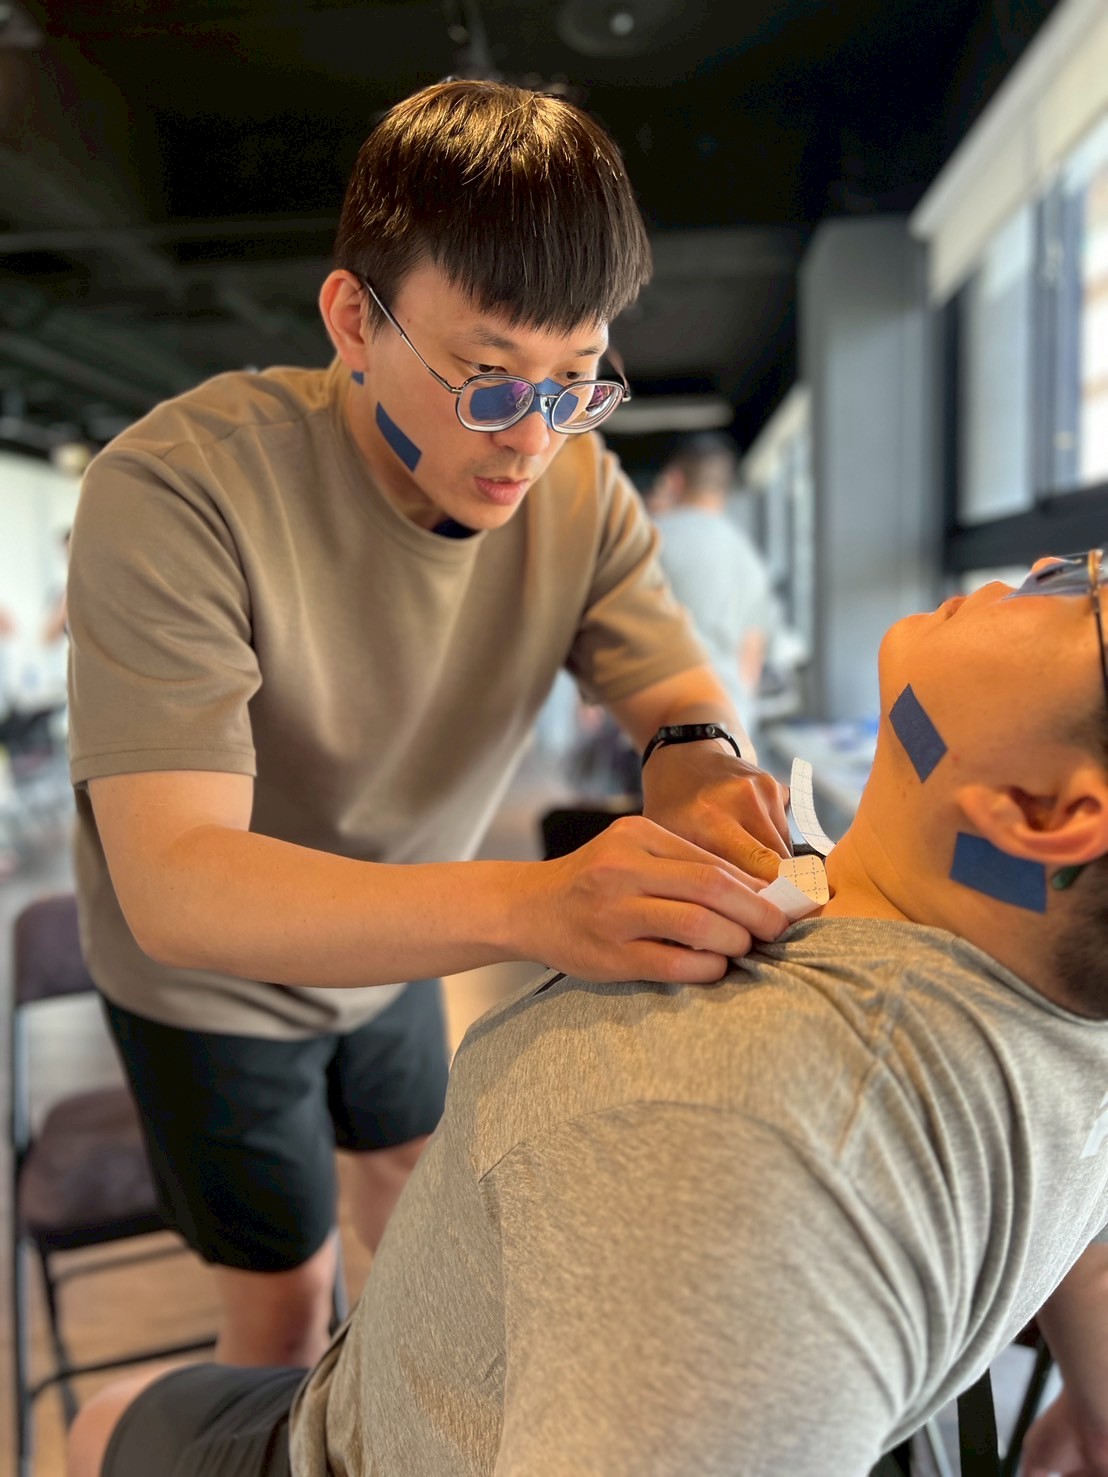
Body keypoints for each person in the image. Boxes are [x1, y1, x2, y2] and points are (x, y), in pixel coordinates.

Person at [67, 551, 1108, 1476]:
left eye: (1091, 595)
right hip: (409, 1371)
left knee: (102, 1423)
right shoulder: (1056, 1004)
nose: (1050, 565)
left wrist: (527, 902)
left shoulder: (714, 1133)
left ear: (1045, 815)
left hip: (347, 1445)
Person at [64, 77, 792, 1371]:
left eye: (577, 379)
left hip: (395, 931)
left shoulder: (581, 488)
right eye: (489, 379)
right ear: (355, 319)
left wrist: (701, 765)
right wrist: (535, 904)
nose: (533, 439)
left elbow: (678, 688)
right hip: (210, 978)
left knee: (413, 1202)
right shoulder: (179, 491)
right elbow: (176, 883)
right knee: (285, 1303)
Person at [651, 433, 773, 750]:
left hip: (662, 722)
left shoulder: (653, 538)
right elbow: (751, 655)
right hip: (731, 725)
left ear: (676, 480)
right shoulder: (749, 556)